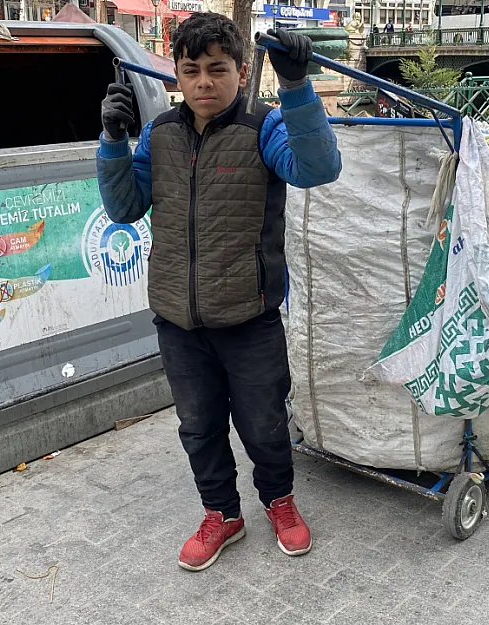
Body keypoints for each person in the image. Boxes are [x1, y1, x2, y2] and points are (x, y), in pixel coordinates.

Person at [96, 14, 341, 572]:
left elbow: (318, 168)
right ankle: (221, 515)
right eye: (191, 70)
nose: (204, 82)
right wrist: (112, 142)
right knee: (199, 426)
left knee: (264, 426)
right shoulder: (159, 135)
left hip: (249, 318)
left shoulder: (266, 128)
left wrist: (298, 88)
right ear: (177, 75)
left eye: (217, 69)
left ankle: (279, 502)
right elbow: (124, 207)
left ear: (241, 69)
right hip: (178, 323)